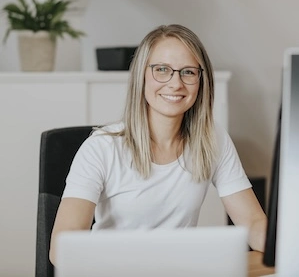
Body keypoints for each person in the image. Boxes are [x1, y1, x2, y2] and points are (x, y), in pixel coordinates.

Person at [49, 24, 267, 265]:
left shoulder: (211, 139)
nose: (175, 84)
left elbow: (254, 223)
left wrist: (285, 245)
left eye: (188, 72)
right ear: (141, 76)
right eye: (162, 70)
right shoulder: (101, 148)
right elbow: (62, 249)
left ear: (201, 80)